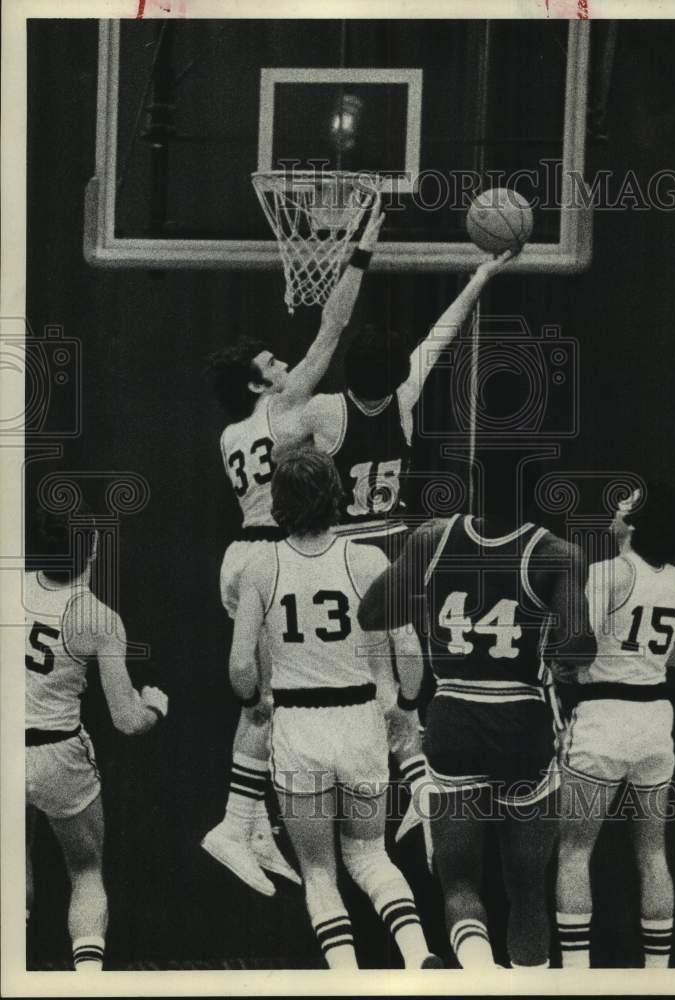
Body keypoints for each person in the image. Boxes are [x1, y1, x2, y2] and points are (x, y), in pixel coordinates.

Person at [271, 250, 518, 859]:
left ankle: (293, 803)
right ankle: (421, 789)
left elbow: (278, 436)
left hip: (346, 551)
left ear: (349, 372)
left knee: (352, 684)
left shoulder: (329, 410)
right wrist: (479, 279)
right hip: (397, 548)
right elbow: (441, 335)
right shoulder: (404, 397)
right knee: (397, 684)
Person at [202, 195, 385, 895]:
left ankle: (247, 822)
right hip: (269, 554)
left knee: (269, 694)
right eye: (273, 361)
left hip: (241, 552)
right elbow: (333, 327)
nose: (286, 363)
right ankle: (233, 820)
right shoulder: (280, 410)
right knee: (268, 695)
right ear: (258, 382)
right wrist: (360, 250)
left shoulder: (228, 436)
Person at [229, 447, 442, 969]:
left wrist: (254, 702)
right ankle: (418, 956)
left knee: (320, 871)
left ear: (278, 501)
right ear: (335, 497)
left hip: (300, 727)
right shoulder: (367, 559)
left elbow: (239, 665)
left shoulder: (260, 564)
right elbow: (409, 649)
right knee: (370, 855)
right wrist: (408, 704)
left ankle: (345, 976)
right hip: (360, 721)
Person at [358, 510, 596, 969]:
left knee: (460, 883)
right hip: (522, 724)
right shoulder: (558, 552)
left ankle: (482, 974)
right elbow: (578, 652)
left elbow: (371, 613)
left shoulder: (433, 539)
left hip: (455, 720)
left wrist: (421, 578)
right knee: (527, 888)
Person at [555, 482, 675, 969]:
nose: (617, 507)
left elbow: (575, 647)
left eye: (625, 505)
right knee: (653, 854)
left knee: (575, 852)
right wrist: (643, 657)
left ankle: (577, 977)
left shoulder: (606, 573)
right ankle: (657, 975)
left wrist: (567, 669)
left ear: (634, 523)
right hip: (656, 721)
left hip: (604, 717)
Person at [25, 506, 169, 972]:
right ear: (90, 553)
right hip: (56, 752)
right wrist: (154, 705)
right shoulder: (97, 618)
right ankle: (88, 982)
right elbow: (127, 721)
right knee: (85, 873)